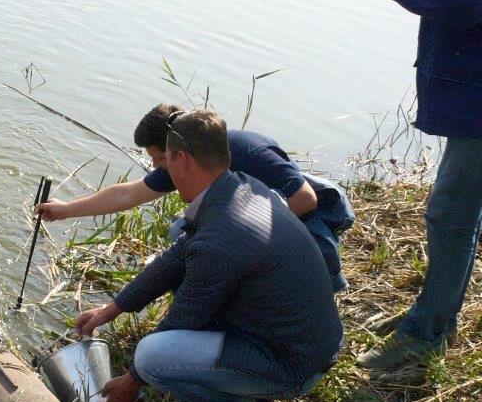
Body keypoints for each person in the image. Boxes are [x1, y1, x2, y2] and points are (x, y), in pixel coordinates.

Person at [74, 110, 343, 402]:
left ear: (183, 160)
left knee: (151, 356)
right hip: (305, 341)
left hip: (294, 366)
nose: (164, 171)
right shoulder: (241, 188)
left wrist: (131, 382)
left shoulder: (221, 238)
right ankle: (242, 387)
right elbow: (176, 258)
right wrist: (111, 309)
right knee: (165, 335)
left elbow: (184, 318)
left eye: (165, 162)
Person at [331, 0, 482, 369]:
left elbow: (457, 0)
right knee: (460, 209)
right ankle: (435, 314)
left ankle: (427, 334)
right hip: (468, 91)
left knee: (450, 211)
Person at [39, 104, 354, 292]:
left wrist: (244, 240)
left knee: (314, 269)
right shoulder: (181, 160)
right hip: (258, 214)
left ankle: (322, 287)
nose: (155, 167)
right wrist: (65, 210)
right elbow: (130, 193)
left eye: (158, 159)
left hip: (314, 217)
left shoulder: (245, 150)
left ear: (179, 152)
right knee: (182, 232)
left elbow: (306, 199)